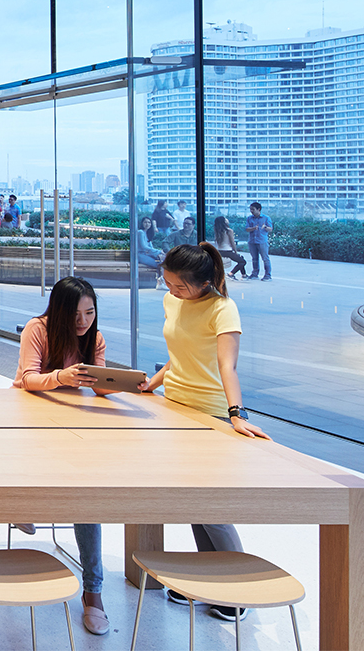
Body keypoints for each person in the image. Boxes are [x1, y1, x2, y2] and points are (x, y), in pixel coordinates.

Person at [137, 243, 269, 622]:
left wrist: (236, 415)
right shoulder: (172, 300)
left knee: (212, 507)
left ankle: (237, 591)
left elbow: (228, 367)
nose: (172, 291)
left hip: (210, 414)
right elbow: (179, 354)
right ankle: (209, 578)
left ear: (205, 283)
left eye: (180, 286)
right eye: (168, 283)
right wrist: (152, 384)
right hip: (175, 407)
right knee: (193, 502)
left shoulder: (223, 310)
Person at [11, 277, 110, 634]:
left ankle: (93, 591)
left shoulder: (95, 339)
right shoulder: (38, 330)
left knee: (87, 494)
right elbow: (27, 379)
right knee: (75, 485)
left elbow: (98, 386)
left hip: (75, 422)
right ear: (59, 311)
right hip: (30, 418)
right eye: (75, 314)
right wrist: (62, 377)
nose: (83, 322)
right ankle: (24, 501)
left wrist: (116, 385)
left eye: (90, 313)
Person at [244, 202, 273, 281]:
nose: (251, 211)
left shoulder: (266, 218)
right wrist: (253, 228)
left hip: (262, 241)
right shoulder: (249, 218)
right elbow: (247, 229)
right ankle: (255, 274)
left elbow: (270, 229)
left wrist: (265, 227)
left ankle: (268, 275)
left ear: (258, 209)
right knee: (254, 258)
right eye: (250, 209)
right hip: (252, 241)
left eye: (253, 209)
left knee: (265, 258)